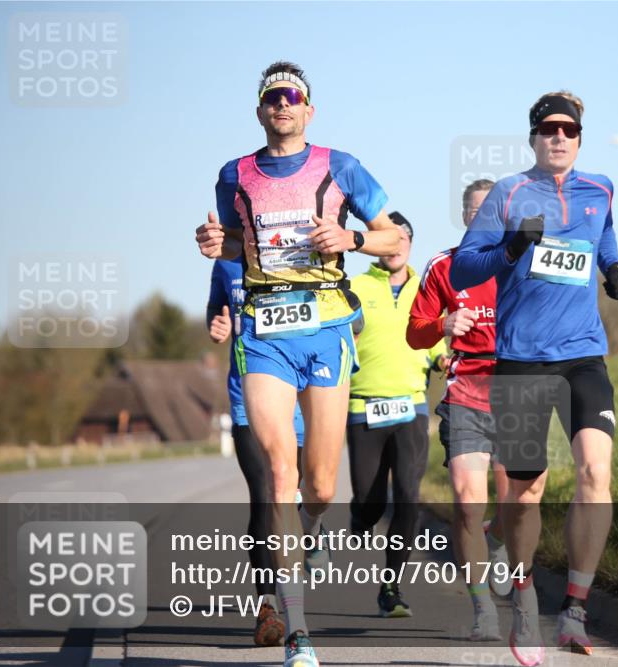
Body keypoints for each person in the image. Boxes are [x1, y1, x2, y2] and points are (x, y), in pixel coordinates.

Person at [195, 61, 400, 667]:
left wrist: (353, 240)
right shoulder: (234, 174)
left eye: (292, 96)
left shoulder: (342, 165)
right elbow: (237, 242)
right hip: (263, 333)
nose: (282, 104)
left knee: (320, 485)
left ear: (310, 109)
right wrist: (216, 246)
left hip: (327, 328)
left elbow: (392, 236)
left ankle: (307, 537)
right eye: (271, 97)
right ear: (259, 111)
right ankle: (299, 633)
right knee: (279, 474)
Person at [449, 91, 618, 666]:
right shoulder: (507, 195)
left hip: (582, 355)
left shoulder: (600, 188)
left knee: (594, 472)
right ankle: (525, 593)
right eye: (549, 129)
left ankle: (576, 609)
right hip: (522, 358)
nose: (559, 138)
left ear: (580, 138)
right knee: (524, 493)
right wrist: (509, 247)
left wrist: (614, 269)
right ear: (533, 137)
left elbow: (601, 239)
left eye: (569, 130)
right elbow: (464, 265)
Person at [406, 179, 511, 642]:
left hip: (517, 391)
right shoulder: (443, 267)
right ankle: (482, 608)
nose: (482, 217)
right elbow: (414, 333)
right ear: (465, 216)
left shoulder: (523, 264)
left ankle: (502, 538)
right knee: (469, 502)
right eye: (475, 210)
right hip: (465, 392)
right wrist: (443, 324)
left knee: (514, 505)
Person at [346, 212, 446, 618]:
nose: (395, 245)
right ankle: (360, 515)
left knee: (407, 495)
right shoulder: (354, 287)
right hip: (362, 407)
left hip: (410, 407)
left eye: (402, 237)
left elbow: (436, 339)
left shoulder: (428, 289)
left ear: (410, 243)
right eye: (386, 237)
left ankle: (392, 585)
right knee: (370, 502)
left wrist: (442, 360)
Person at [206, 256, 308, 647]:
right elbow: (216, 308)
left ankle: (311, 530)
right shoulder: (226, 264)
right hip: (246, 400)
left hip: (300, 400)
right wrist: (216, 324)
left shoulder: (298, 251)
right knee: (266, 497)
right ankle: (268, 605)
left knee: (296, 499)